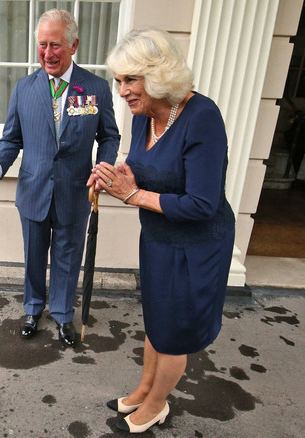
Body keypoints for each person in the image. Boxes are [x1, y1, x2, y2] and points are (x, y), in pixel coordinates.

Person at [90, 28, 235, 433]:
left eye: (130, 80)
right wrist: (116, 175)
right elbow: (149, 171)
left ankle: (156, 405)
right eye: (119, 81)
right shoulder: (144, 115)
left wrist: (132, 194)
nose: (122, 91)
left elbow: (202, 204)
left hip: (196, 245)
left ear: (158, 75)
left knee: (174, 332)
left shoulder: (202, 117)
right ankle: (142, 389)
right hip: (158, 238)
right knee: (156, 320)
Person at [0, 9, 120, 347]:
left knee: (68, 258)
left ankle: (62, 315)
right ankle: (32, 308)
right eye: (42, 45)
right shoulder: (24, 88)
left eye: (55, 45)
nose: (48, 53)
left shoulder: (95, 88)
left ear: (74, 45)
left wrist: (104, 166)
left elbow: (109, 136)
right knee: (34, 257)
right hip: (34, 189)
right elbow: (11, 139)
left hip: (75, 191)